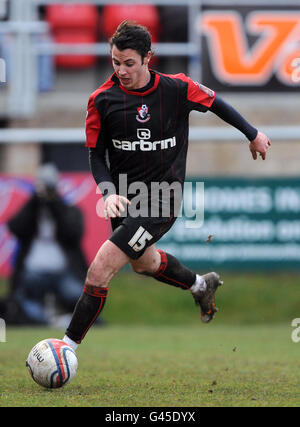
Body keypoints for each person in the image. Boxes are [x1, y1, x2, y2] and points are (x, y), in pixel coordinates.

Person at [62, 20, 271, 351]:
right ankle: (201, 285)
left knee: (100, 268)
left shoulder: (177, 89)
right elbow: (96, 156)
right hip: (125, 199)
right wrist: (109, 191)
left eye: (129, 63)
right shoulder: (102, 100)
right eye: (116, 62)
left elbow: (217, 103)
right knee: (143, 263)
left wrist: (253, 133)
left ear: (148, 57)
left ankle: (65, 349)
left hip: (162, 199)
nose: (122, 70)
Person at [3, 163, 88, 326]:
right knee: (22, 299)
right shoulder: (33, 209)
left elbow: (73, 233)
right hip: (33, 269)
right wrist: (35, 200)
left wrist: (54, 202)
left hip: (64, 270)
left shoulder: (68, 209)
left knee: (77, 296)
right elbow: (15, 227)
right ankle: (44, 320)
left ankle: (63, 320)